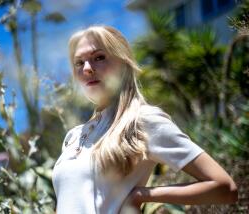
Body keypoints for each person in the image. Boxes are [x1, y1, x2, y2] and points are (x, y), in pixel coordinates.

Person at [52, 25, 238, 214]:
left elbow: (224, 188)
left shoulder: (143, 121)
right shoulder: (72, 137)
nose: (87, 68)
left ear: (124, 64)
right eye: (79, 63)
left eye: (99, 57)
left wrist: (143, 195)